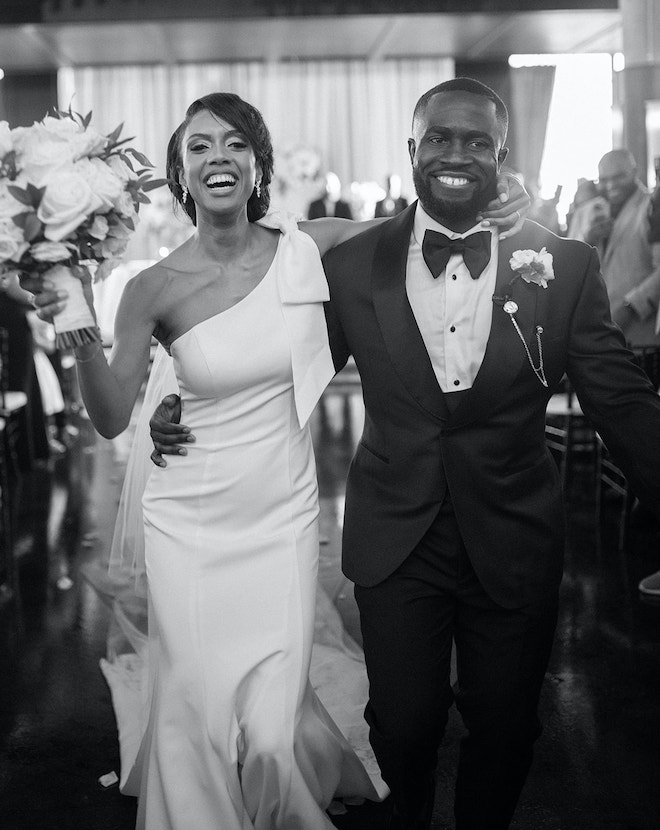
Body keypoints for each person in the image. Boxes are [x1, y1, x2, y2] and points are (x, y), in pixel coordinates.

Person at [147, 77, 660, 830]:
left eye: (477, 142)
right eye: (441, 140)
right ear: (412, 150)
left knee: (508, 728)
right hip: (397, 538)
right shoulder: (352, 262)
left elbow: (621, 399)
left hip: (515, 535)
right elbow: (257, 341)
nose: (458, 154)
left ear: (502, 156)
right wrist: (180, 400)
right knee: (404, 728)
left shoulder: (564, 265)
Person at [27, 90, 529, 830]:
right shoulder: (151, 288)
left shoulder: (311, 246)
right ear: (179, 170)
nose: (218, 158)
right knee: (197, 704)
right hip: (188, 519)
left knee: (267, 726)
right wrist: (72, 323)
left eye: (235, 143)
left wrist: (503, 193)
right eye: (199, 146)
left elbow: (425, 222)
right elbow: (107, 416)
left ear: (259, 164)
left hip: (281, 514)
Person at [584, 149, 660, 353]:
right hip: (601, 334)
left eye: (618, 177)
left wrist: (631, 307)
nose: (610, 185)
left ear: (634, 172)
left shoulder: (652, 205)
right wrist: (588, 240)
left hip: (641, 335)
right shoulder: (593, 210)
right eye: (604, 179)